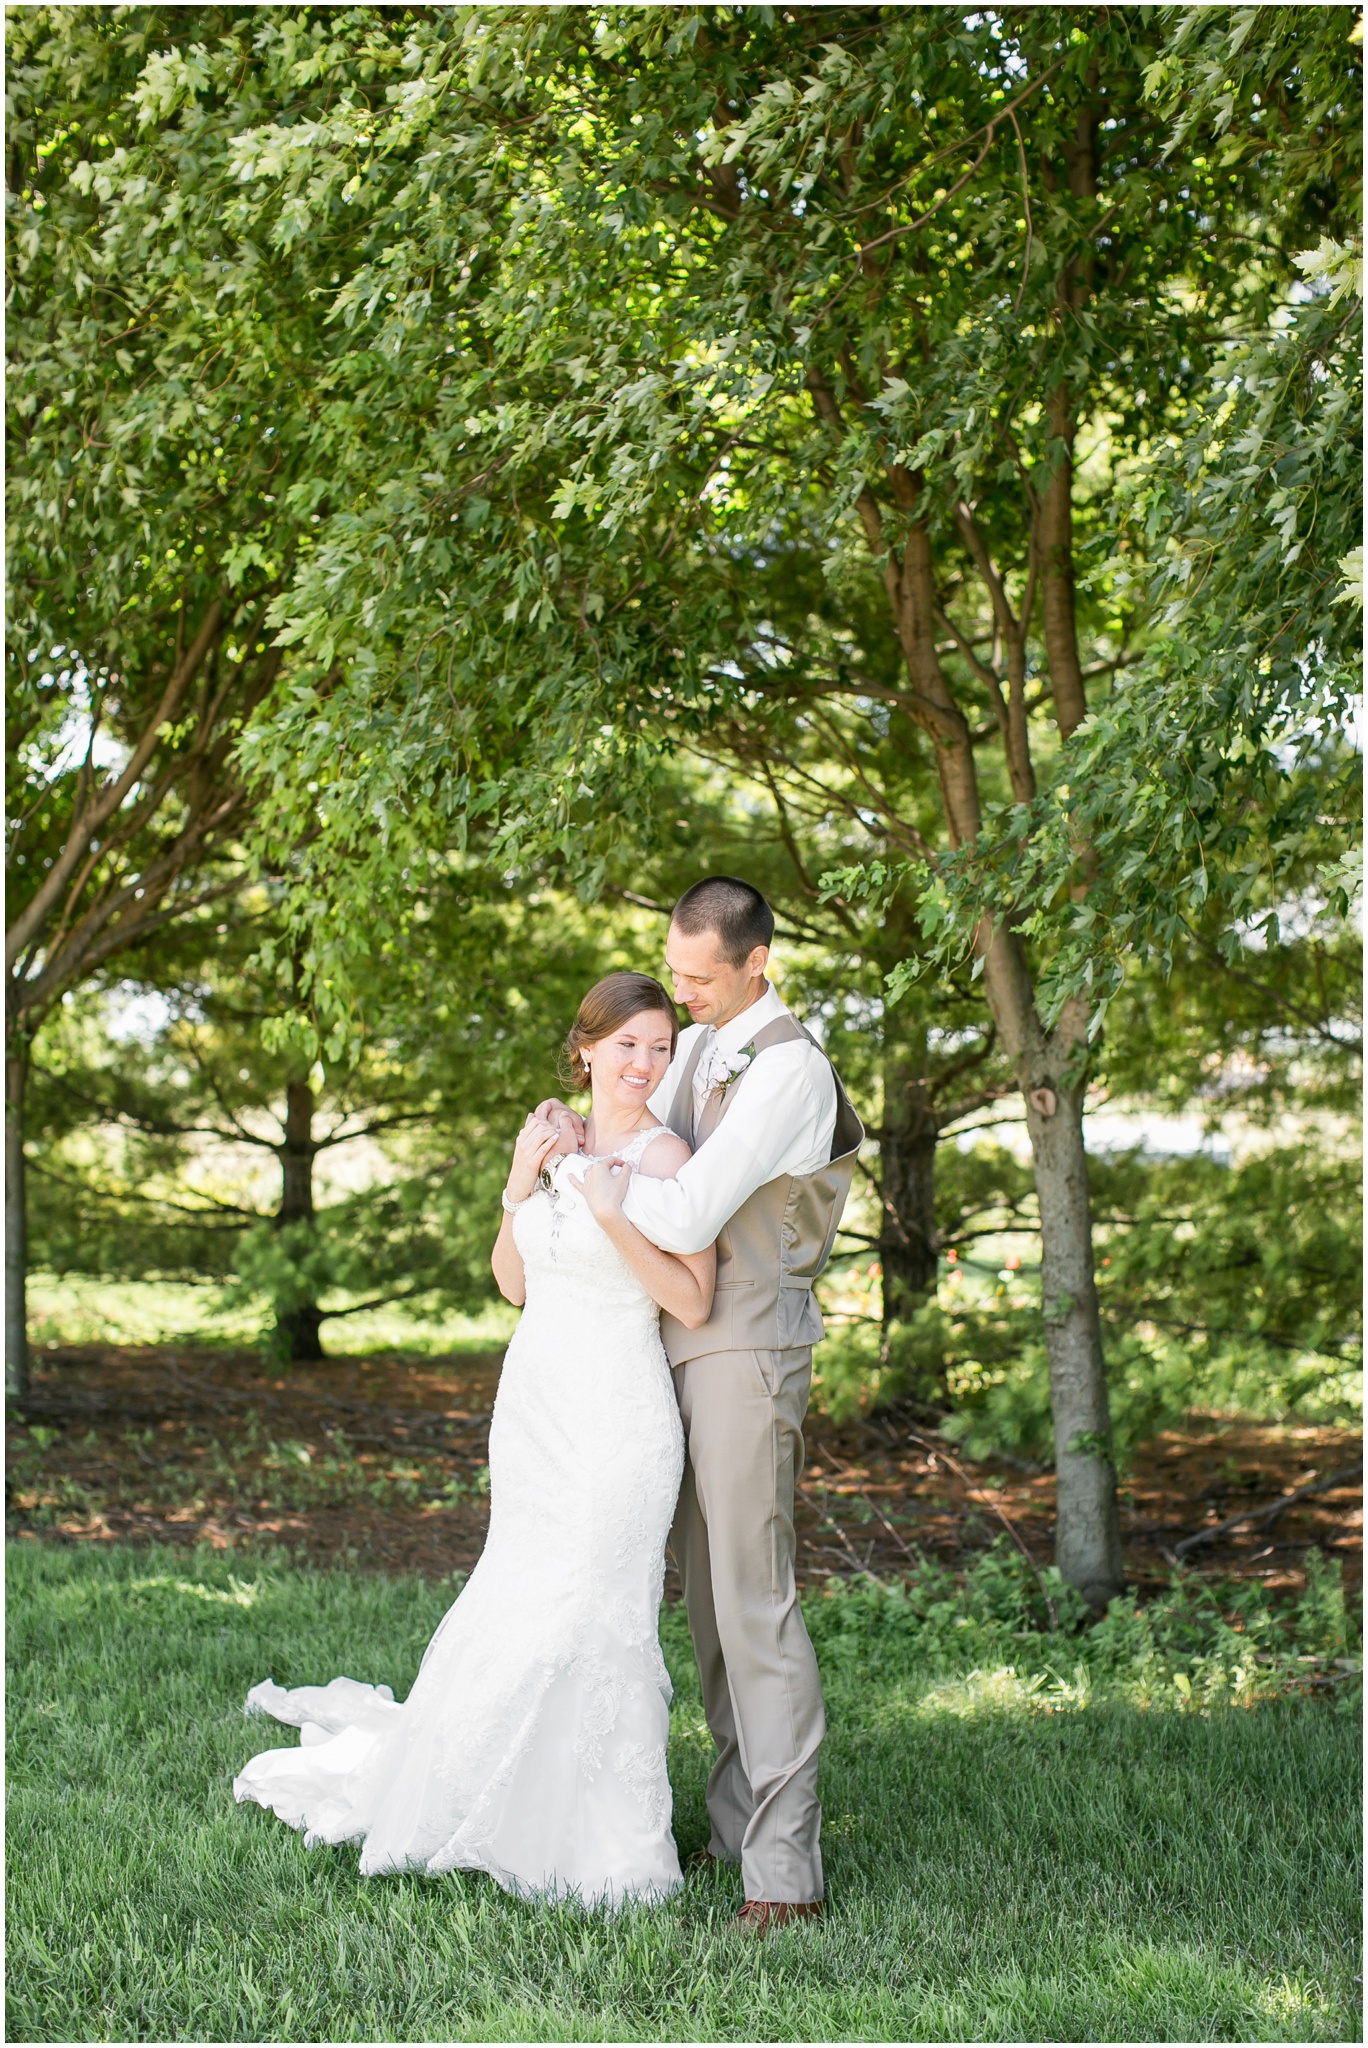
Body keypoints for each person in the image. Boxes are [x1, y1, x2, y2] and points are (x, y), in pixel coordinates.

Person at [233, 972, 715, 1909]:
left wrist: (613, 1215)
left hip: (618, 1408)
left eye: (660, 1046)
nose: (645, 1064)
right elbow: (513, 1282)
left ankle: (596, 1835)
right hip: (535, 1402)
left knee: (594, 1604)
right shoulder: (549, 1137)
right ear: (586, 1052)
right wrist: (517, 1183)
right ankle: (485, 1787)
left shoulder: (667, 1159)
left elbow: (691, 1299)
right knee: (522, 1587)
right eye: (627, 1046)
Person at [536, 877, 863, 1933]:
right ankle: (733, 1825)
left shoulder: (789, 1070)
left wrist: (596, 1176)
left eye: (697, 978)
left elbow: (679, 1202)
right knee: (711, 1613)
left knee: (755, 1605)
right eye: (671, 971)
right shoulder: (707, 1046)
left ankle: (785, 1872)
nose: (679, 996)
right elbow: (635, 1128)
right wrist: (571, 1129)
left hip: (746, 1352)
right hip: (667, 1352)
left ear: (756, 961)